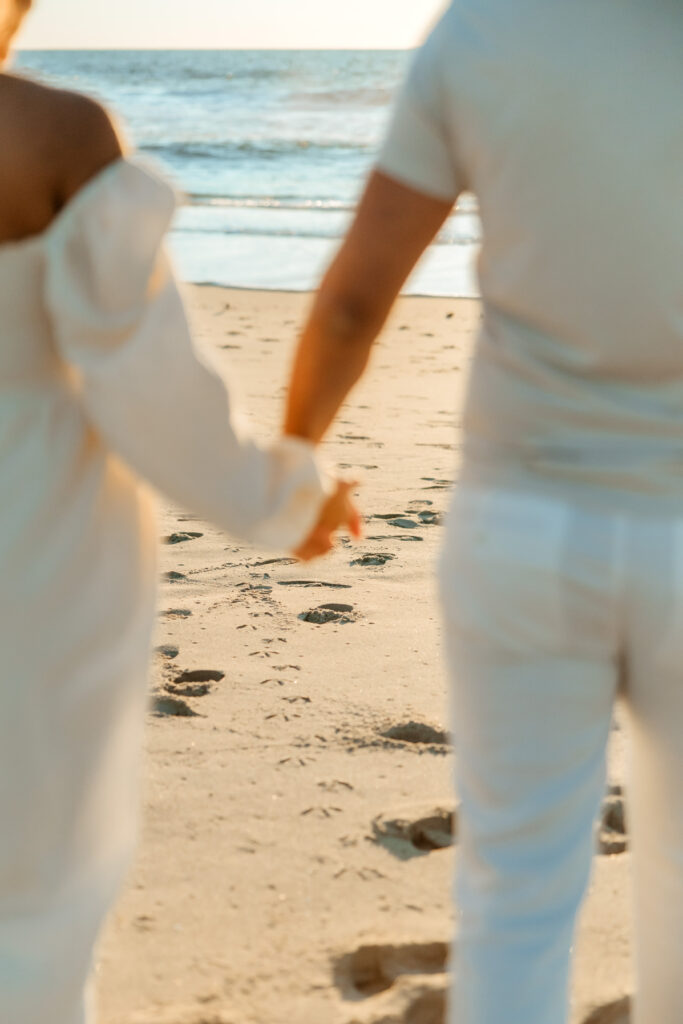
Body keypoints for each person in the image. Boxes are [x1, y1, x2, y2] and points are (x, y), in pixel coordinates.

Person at [284, 2, 683, 1022]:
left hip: (526, 518)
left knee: (514, 895)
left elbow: (351, 301)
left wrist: (296, 467)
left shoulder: (484, 31)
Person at [0, 3, 361, 1022]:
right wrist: (289, 499)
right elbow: (150, 395)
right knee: (33, 895)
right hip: (31, 557)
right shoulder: (54, 138)